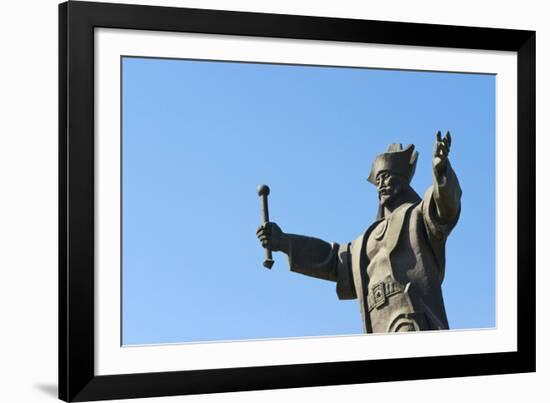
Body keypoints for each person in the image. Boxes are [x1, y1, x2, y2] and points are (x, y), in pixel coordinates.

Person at [256, 132, 461, 333]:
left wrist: (440, 169)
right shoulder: (366, 240)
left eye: (386, 177)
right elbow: (334, 260)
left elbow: (444, 207)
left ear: (402, 181)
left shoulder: (417, 215)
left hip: (410, 315)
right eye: (378, 179)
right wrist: (284, 242)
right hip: (376, 322)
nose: (381, 184)